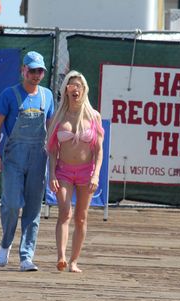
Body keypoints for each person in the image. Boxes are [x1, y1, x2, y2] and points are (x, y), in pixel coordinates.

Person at [0, 51, 54, 271]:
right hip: (14, 156)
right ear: (23, 70)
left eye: (40, 71)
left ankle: (26, 256)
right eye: (32, 70)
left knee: (34, 208)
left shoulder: (47, 96)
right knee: (13, 204)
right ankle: (5, 243)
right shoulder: (9, 95)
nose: (36, 75)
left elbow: (52, 127)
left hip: (39, 157)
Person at [47, 70, 104, 273]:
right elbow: (52, 149)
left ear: (85, 89)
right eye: (71, 86)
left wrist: (96, 174)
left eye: (79, 85)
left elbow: (98, 150)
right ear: (66, 90)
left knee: (81, 217)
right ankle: (61, 257)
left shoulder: (93, 116)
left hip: (85, 172)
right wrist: (52, 173)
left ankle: (74, 261)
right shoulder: (59, 116)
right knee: (64, 212)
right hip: (63, 171)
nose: (75, 89)